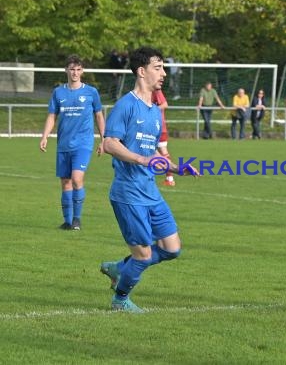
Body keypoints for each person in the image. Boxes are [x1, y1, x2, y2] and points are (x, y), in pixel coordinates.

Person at [99, 46, 200, 313]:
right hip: (128, 193)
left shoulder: (155, 111)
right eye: (158, 67)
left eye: (163, 67)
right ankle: (120, 300)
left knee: (172, 248)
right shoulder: (126, 105)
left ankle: (119, 268)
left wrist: (176, 168)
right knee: (143, 255)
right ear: (142, 72)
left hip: (151, 192)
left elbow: (151, 151)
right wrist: (141, 160)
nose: (163, 73)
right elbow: (110, 143)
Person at [40, 54, 105, 231]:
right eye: (72, 69)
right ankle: (67, 222)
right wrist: (45, 136)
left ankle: (77, 219)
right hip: (63, 144)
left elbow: (98, 115)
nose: (75, 73)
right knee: (65, 183)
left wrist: (103, 139)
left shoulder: (91, 92)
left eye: (78, 69)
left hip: (83, 144)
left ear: (82, 71)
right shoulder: (58, 92)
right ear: (66, 70)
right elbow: (52, 116)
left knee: (77, 179)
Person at [152, 89, 175, 186]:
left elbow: (165, 104)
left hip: (158, 127)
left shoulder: (155, 90)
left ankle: (170, 178)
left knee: (162, 152)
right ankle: (169, 178)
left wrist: (151, 110)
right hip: (153, 127)